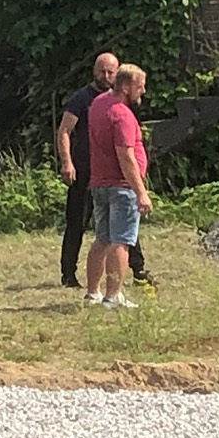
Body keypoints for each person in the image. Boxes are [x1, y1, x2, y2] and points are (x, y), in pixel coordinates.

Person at [54, 53, 152, 288]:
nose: (106, 76)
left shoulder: (119, 102)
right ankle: (69, 274)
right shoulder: (85, 99)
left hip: (114, 175)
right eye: (101, 71)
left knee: (121, 227)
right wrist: (67, 161)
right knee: (78, 221)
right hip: (86, 170)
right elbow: (64, 130)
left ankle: (137, 269)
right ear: (94, 71)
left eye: (111, 72)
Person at [85, 63, 152, 308]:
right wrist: (141, 193)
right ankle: (112, 297)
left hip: (99, 183)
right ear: (125, 87)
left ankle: (93, 292)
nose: (142, 91)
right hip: (121, 186)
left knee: (101, 239)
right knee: (121, 241)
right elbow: (126, 156)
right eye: (139, 86)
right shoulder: (122, 115)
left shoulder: (99, 103)